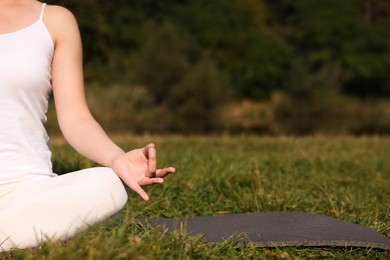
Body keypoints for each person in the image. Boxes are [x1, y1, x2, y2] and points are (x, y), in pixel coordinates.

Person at [0, 0, 175, 251]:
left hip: (29, 190)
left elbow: (76, 119)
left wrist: (117, 159)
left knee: (109, 186)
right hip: (27, 211)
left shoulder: (54, 20)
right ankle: (22, 235)